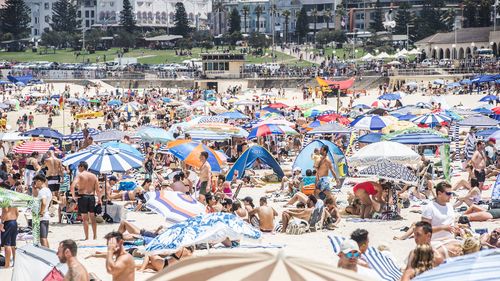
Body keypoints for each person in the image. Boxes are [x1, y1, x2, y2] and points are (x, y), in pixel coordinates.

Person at [421, 182, 462, 258]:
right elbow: (424, 230)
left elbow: (451, 223)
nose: (451, 196)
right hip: (435, 242)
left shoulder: (449, 206)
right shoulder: (430, 208)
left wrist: (456, 228)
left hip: (450, 240)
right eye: (448, 193)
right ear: (439, 193)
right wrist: (443, 228)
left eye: (451, 193)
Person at [71, 161, 102, 240]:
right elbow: (98, 190)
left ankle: (87, 237)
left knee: (85, 218)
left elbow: (72, 185)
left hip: (82, 197)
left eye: (79, 167)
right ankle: (95, 236)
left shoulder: (80, 175)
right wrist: (99, 199)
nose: (78, 168)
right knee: (92, 217)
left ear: (82, 166)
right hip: (91, 197)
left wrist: (74, 196)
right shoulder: (94, 176)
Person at [34, 174, 52, 248]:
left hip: (42, 216)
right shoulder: (48, 190)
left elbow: (44, 203)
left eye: (36, 182)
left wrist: (41, 212)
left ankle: (46, 255)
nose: (35, 184)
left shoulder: (42, 191)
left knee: (42, 238)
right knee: (44, 237)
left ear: (39, 181)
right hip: (46, 215)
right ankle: (49, 253)